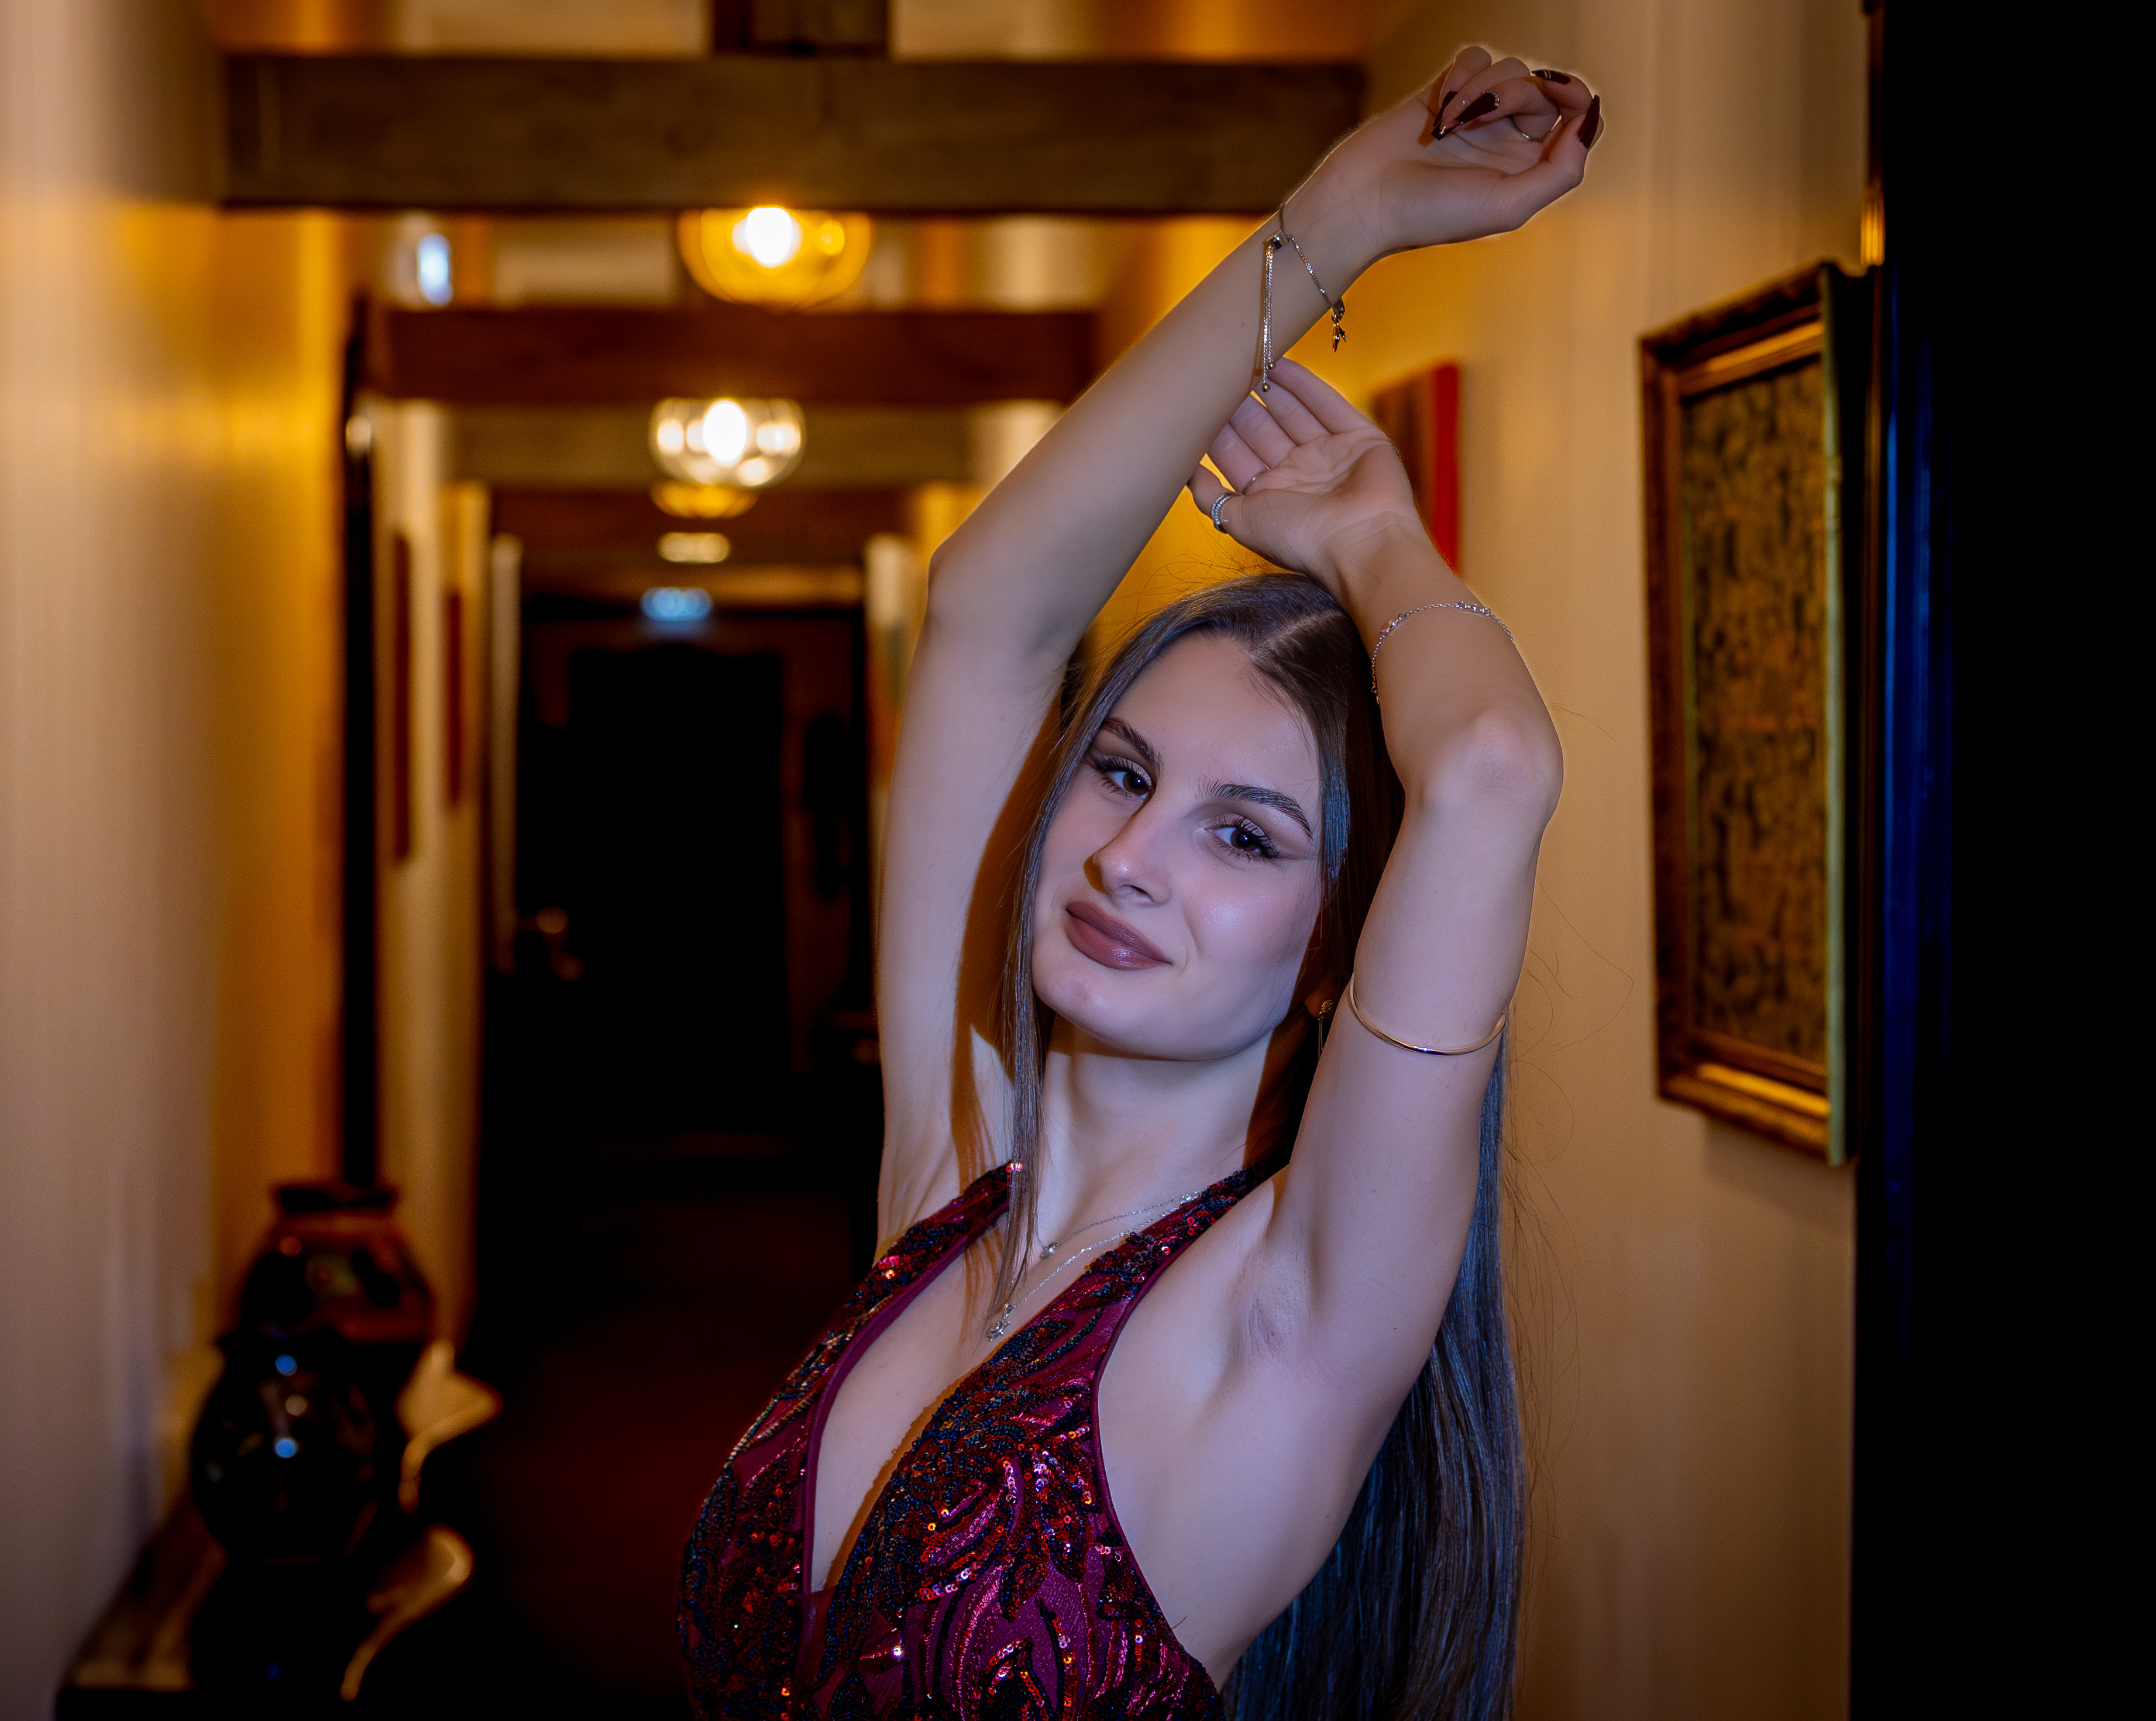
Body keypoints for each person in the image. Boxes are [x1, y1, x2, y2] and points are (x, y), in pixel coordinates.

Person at [679, 46, 1600, 1721]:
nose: (1125, 857)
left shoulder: (1283, 1319)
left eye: (1244, 836)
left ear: (1337, 952)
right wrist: (1336, 218)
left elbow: (1486, 770)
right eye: (1121, 773)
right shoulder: (951, 1174)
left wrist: (1374, 541)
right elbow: (991, 606)